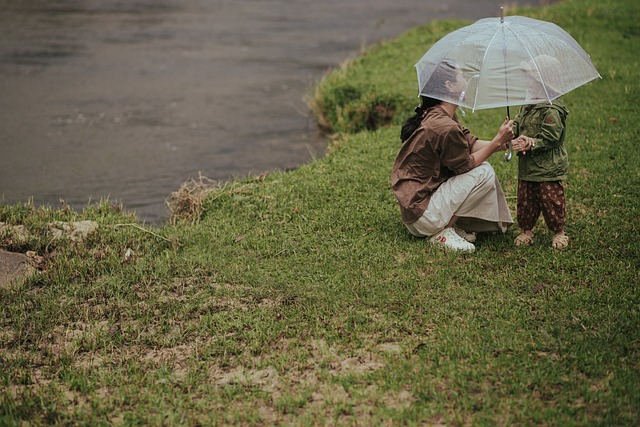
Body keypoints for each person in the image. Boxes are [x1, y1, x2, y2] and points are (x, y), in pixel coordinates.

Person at [391, 61, 514, 253]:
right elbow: (466, 165)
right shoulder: (444, 126)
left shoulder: (437, 114)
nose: (465, 80)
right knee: (484, 172)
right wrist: (497, 141)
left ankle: (447, 225)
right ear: (448, 86)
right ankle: (444, 230)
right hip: (424, 215)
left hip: (416, 214)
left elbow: (468, 143)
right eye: (461, 76)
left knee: (482, 169)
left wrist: (504, 143)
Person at [511, 55, 570, 249]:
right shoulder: (529, 106)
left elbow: (552, 139)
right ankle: (526, 230)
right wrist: (512, 130)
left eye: (530, 78)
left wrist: (532, 143)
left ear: (544, 83)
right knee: (526, 200)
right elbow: (521, 122)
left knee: (550, 199)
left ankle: (559, 231)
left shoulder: (551, 110)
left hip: (547, 167)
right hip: (528, 167)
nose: (527, 82)